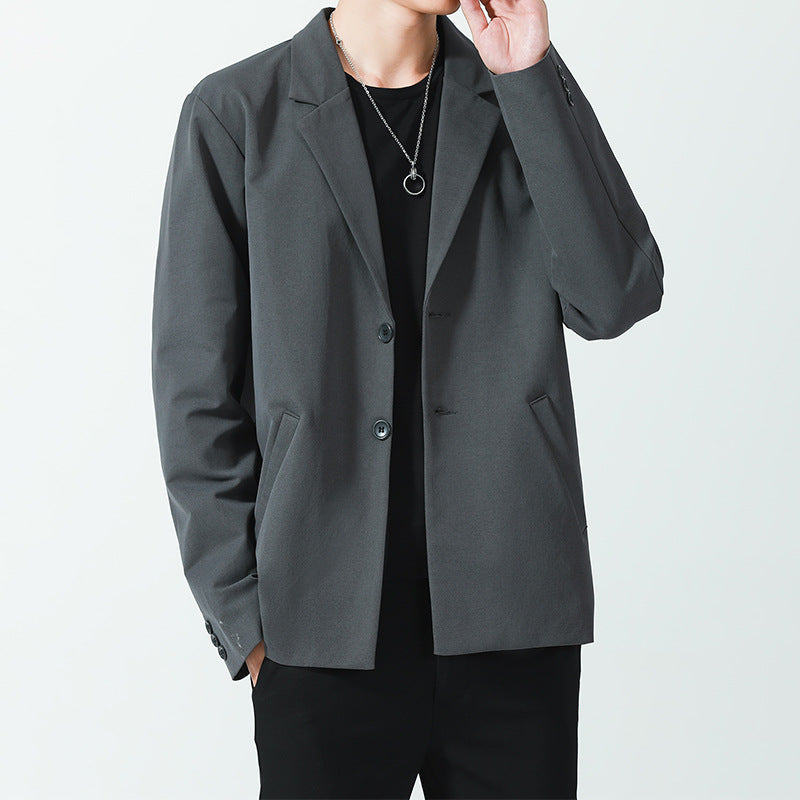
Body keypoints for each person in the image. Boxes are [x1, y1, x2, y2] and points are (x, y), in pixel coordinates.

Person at [151, 1, 664, 797]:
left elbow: (616, 296)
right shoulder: (236, 114)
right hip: (317, 628)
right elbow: (194, 393)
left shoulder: (514, 90)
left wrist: (529, 75)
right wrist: (244, 621)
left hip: (512, 615)